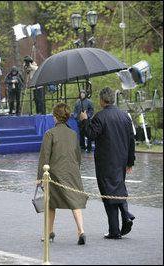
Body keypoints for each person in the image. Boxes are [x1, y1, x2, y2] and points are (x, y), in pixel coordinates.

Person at [80, 87, 135, 239]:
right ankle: (125, 215)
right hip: (121, 160)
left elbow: (91, 135)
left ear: (102, 100)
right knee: (118, 187)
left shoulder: (100, 117)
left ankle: (115, 230)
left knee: (108, 193)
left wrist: (84, 120)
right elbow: (132, 140)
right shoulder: (125, 116)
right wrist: (130, 161)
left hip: (105, 161)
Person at [37, 102, 88, 245]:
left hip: (54, 174)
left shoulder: (50, 134)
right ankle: (81, 230)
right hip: (72, 172)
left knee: (50, 204)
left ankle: (49, 233)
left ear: (55, 117)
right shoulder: (73, 134)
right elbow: (78, 155)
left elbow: (44, 157)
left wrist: (39, 177)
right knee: (75, 202)